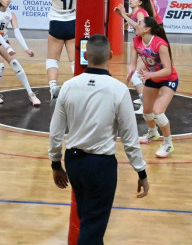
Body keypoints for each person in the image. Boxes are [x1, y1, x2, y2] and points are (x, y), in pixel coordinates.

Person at [49, 34, 149, 244]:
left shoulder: (68, 86)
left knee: (89, 221)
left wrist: (56, 164)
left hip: (74, 162)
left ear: (85, 56)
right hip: (101, 165)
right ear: (111, 55)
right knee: (93, 226)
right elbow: (130, 138)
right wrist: (141, 171)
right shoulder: (119, 90)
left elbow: (56, 131)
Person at [33, 0, 85, 101]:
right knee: (74, 60)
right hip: (72, 23)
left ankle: (53, 86)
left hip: (56, 24)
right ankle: (79, 89)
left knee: (52, 59)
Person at [126, 17, 178, 158]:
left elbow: (168, 70)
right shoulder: (136, 41)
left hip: (168, 79)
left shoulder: (160, 44)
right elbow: (132, 64)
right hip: (152, 78)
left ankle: (168, 144)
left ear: (147, 29)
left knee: (158, 113)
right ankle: (153, 133)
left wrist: (150, 74)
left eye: (139, 23)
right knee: (147, 112)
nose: (135, 25)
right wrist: (130, 72)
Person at [0, 0, 40, 106]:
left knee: (16, 65)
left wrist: (26, 49)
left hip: (2, 41)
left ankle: (31, 94)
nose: (8, 0)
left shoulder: (11, 14)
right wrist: (7, 46)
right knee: (0, 66)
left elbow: (17, 32)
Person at [114, 0, 156, 107]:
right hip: (143, 44)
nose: (131, 0)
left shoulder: (141, 13)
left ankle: (146, 104)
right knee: (140, 75)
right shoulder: (135, 13)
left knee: (136, 76)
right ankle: (145, 98)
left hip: (149, 45)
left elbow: (139, 26)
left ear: (140, 2)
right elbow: (131, 17)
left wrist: (124, 15)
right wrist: (121, 14)